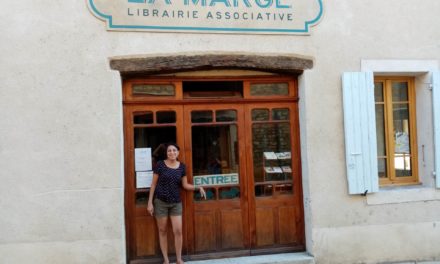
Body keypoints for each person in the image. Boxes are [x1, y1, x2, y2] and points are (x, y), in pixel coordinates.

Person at [147, 142, 206, 264]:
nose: (172, 153)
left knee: (178, 231)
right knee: (162, 231)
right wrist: (150, 203)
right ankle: (166, 259)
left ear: (178, 153)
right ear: (166, 153)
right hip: (160, 202)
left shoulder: (182, 167)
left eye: (174, 150)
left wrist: (197, 187)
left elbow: (185, 185)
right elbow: (153, 185)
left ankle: (179, 259)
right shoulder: (160, 165)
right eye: (169, 151)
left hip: (176, 203)